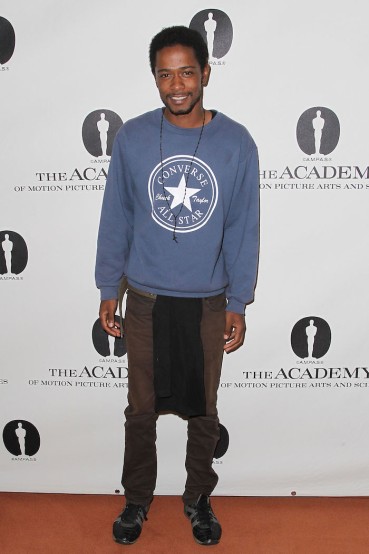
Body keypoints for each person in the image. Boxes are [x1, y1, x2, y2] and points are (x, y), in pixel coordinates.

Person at [95, 25, 260, 547]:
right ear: (155, 79)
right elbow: (116, 217)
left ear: (206, 73)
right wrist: (107, 288)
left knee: (203, 410)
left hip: (209, 303)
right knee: (140, 409)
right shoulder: (133, 138)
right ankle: (137, 499)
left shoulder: (236, 142)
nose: (176, 85)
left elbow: (243, 226)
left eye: (186, 71)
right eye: (164, 75)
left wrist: (237, 300)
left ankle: (197, 498)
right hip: (143, 300)